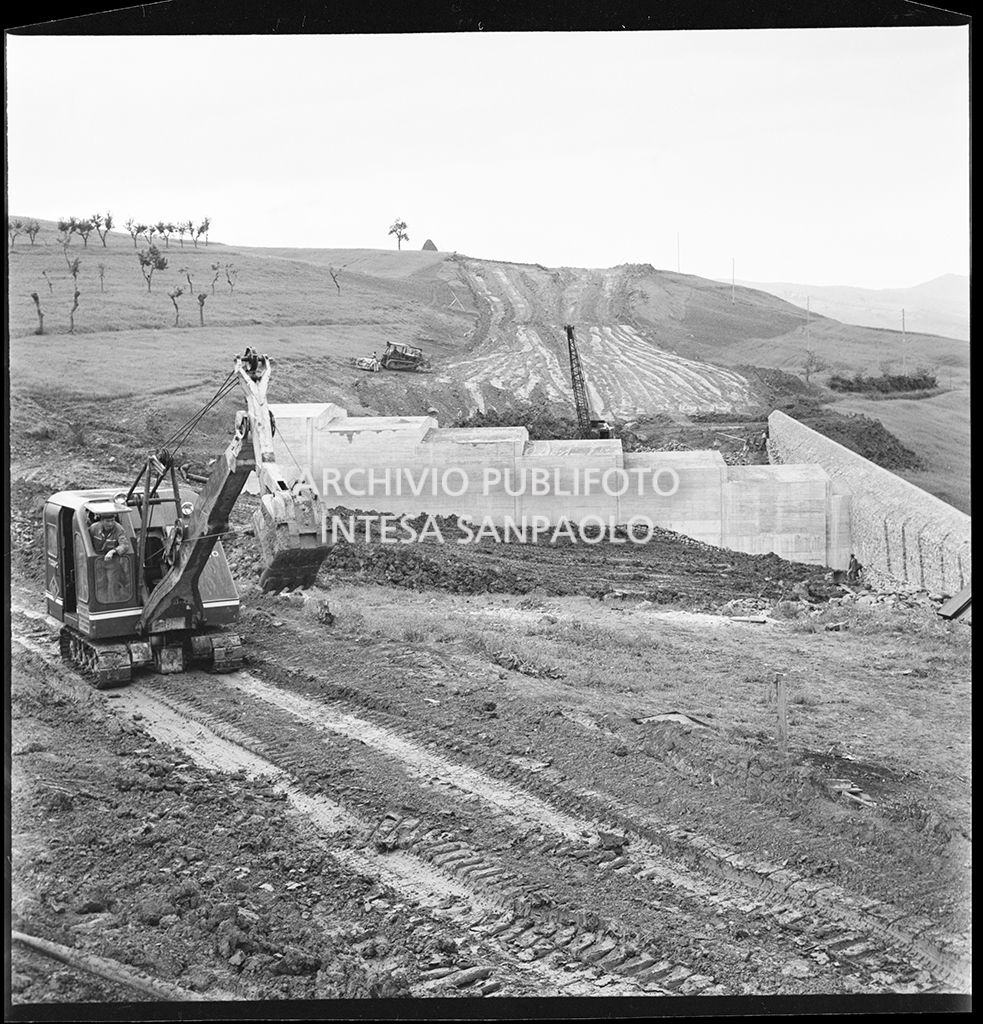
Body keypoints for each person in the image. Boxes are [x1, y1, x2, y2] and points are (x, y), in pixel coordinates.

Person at [90, 514, 132, 602]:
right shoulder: (93, 528)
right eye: (107, 521)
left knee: (113, 585)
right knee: (99, 584)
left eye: (112, 520)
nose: (110, 524)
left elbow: (124, 546)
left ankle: (112, 602)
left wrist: (113, 551)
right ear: (101, 521)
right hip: (97, 562)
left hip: (112, 562)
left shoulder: (119, 529)